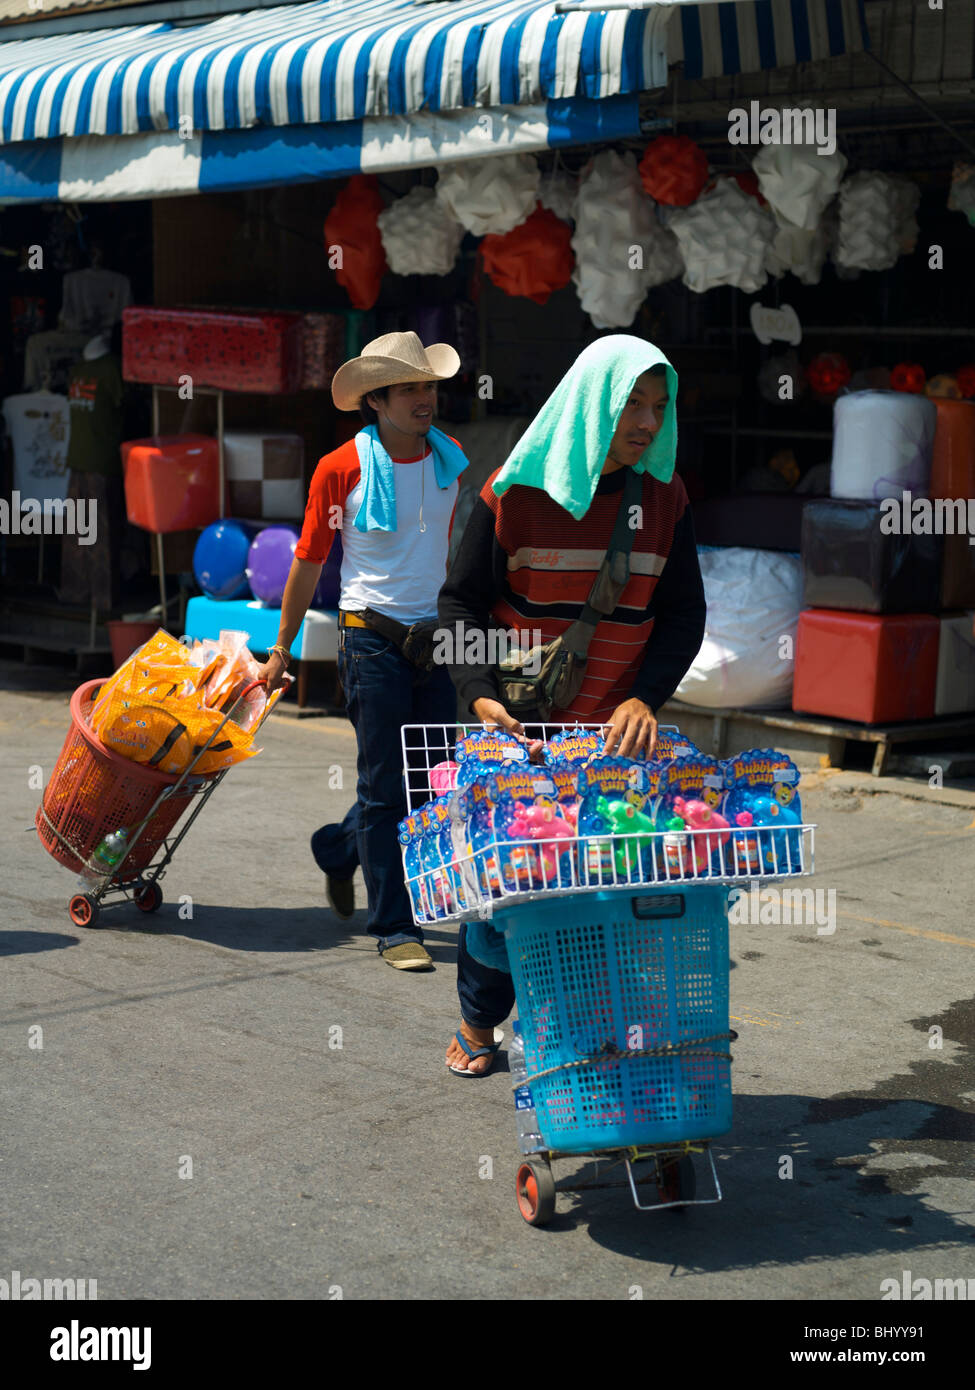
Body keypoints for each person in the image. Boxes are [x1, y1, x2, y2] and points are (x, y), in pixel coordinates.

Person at [437, 334, 707, 1074]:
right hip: (520, 740)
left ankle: (581, 1042)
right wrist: (477, 693)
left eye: (660, 406)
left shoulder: (666, 498)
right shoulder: (513, 493)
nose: (649, 423)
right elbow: (458, 605)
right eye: (631, 405)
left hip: (612, 749)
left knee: (604, 903)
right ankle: (479, 1022)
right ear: (591, 406)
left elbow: (683, 612)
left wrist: (646, 699)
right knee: (503, 906)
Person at [258, 332, 467, 971]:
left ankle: (338, 848)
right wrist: (281, 649)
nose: (424, 398)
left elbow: (450, 555)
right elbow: (307, 561)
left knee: (429, 785)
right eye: (409, 389)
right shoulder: (339, 468)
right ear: (376, 400)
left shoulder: (450, 459)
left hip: (433, 641)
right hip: (368, 638)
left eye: (429, 386)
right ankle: (395, 927)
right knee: (384, 788)